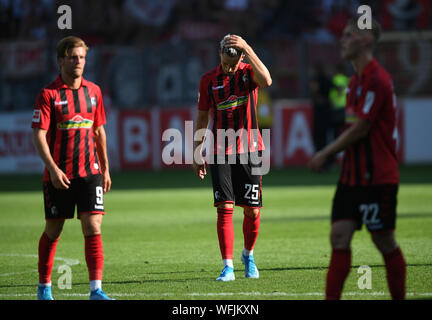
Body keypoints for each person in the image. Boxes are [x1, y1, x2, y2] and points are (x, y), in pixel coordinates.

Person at [308, 19, 406, 300]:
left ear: (365, 41)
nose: (342, 41)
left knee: (383, 240)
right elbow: (353, 127)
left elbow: (361, 128)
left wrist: (325, 153)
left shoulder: (378, 79)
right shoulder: (354, 82)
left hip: (377, 177)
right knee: (339, 236)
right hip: (351, 176)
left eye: (349, 36)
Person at [32, 36, 113, 300]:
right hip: (59, 176)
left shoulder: (94, 92)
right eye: (72, 57)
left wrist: (106, 169)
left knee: (93, 226)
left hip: (89, 173)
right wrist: (53, 169)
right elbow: (39, 135)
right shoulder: (49, 94)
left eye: (81, 57)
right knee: (54, 229)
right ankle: (44, 287)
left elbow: (99, 131)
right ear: (60, 61)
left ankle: (96, 290)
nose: (78, 61)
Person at [193, 34, 272, 281]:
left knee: (252, 212)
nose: (231, 67)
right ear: (220, 54)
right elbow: (203, 118)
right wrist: (197, 151)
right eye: (227, 60)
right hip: (220, 151)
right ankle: (227, 267)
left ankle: (248, 255)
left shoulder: (249, 73)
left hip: (251, 149)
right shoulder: (208, 80)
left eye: (235, 61)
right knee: (225, 208)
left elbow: (267, 80)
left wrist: (248, 47)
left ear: (241, 57)